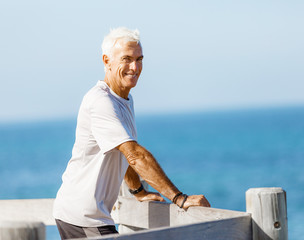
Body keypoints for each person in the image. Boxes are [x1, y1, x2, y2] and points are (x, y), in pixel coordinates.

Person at [53, 27, 210, 239]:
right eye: (126, 59)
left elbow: (120, 151)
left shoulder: (124, 99)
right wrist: (179, 198)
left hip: (84, 214)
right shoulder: (101, 101)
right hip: (83, 216)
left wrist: (138, 191)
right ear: (106, 61)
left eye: (139, 59)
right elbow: (135, 155)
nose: (134, 67)